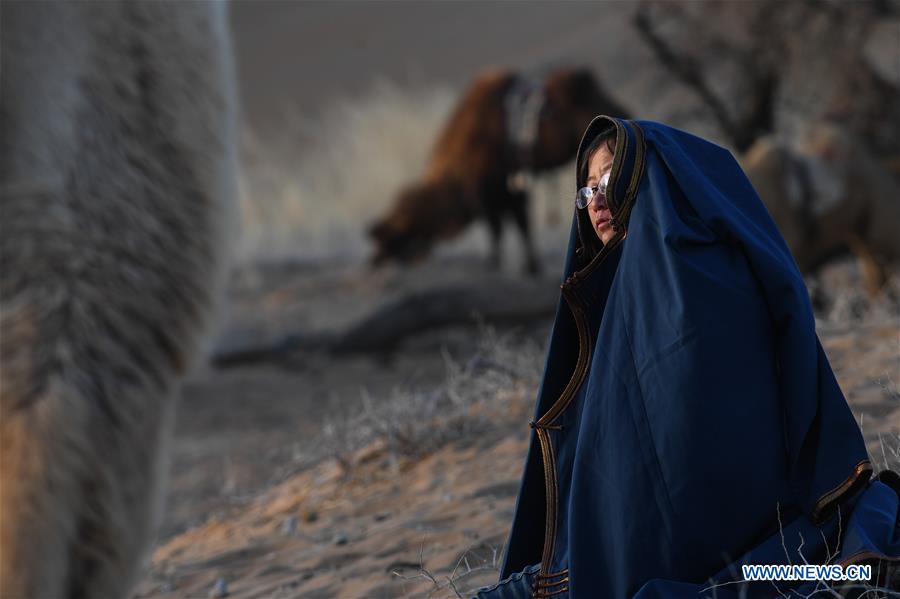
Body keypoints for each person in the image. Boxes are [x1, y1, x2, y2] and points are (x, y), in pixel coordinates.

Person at [475, 116, 900, 598]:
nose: (595, 200)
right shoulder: (620, 296)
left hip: (713, 553)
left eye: (609, 179)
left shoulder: (703, 283)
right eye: (586, 190)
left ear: (646, 173)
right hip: (613, 548)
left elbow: (693, 456)